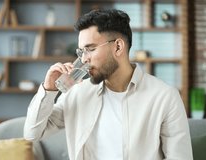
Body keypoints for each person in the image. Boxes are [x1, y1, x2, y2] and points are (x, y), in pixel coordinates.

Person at [24, 9, 193, 160]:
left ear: (118, 47)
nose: (83, 59)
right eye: (81, 51)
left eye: (90, 49)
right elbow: (32, 134)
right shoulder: (77, 94)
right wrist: (49, 89)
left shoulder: (164, 97)